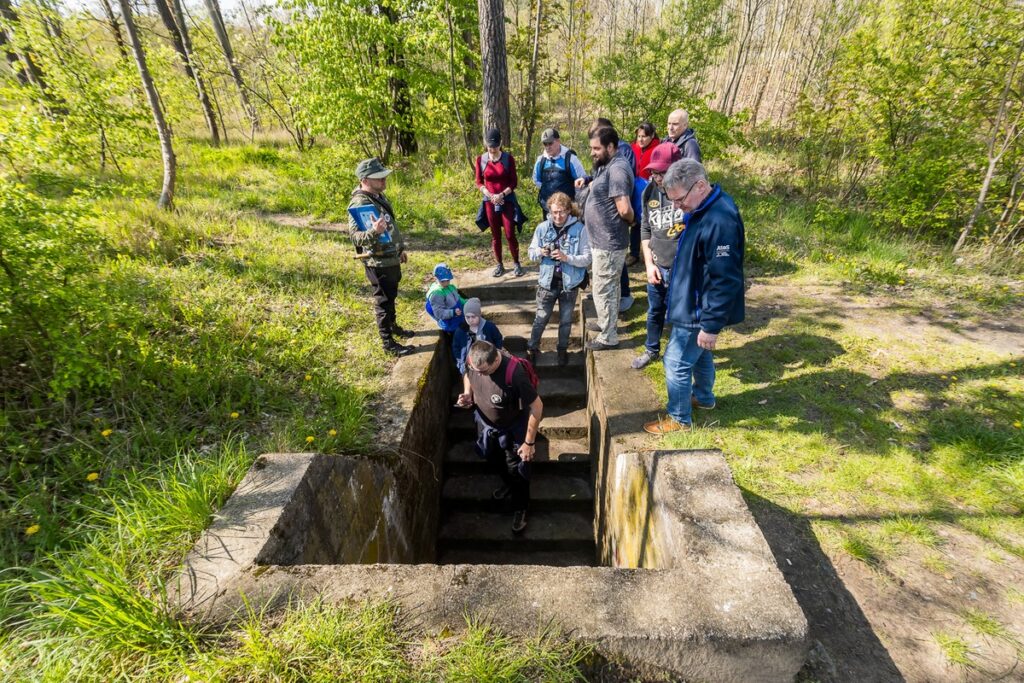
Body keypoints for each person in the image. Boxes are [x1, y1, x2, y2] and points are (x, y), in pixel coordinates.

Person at [644, 158, 744, 435]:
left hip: (699, 307)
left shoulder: (719, 219)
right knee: (699, 354)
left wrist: (710, 325)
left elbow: (725, 279)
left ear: (700, 186)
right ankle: (704, 397)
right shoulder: (703, 208)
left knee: (675, 361)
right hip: (691, 300)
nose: (677, 206)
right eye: (673, 200)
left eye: (680, 199)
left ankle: (679, 419)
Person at [456, 340, 543, 533]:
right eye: (476, 370)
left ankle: (521, 507)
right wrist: (468, 393)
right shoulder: (473, 361)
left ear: (496, 360)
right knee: (492, 457)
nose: (480, 375)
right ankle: (508, 484)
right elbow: (468, 374)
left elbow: (537, 407)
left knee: (517, 469)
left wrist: (529, 442)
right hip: (487, 426)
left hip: (513, 428)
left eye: (484, 372)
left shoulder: (515, 374)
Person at [347, 157, 413, 357]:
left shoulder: (377, 196)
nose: (384, 180)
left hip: (390, 257)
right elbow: (355, 237)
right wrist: (374, 232)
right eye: (379, 178)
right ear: (365, 180)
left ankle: (393, 327)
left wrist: (399, 249)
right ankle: (388, 343)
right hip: (378, 261)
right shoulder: (359, 202)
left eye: (384, 176)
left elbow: (390, 226)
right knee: (383, 301)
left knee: (391, 296)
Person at [578, 126, 634, 351]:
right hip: (601, 241)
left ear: (610, 147)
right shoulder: (607, 166)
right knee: (608, 287)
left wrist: (632, 221)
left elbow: (624, 208)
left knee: (604, 289)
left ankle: (609, 337)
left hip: (609, 242)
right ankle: (605, 323)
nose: (592, 152)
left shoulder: (618, 169)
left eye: (596, 148)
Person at [632, 142, 683, 370]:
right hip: (658, 264)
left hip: (682, 266)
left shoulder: (688, 192)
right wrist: (649, 264)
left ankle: (679, 354)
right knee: (655, 310)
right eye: (654, 172)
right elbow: (645, 228)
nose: (658, 177)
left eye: (662, 172)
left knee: (681, 315)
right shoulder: (649, 191)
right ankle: (651, 350)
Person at [526, 191, 592, 367]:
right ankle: (532, 348)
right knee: (540, 319)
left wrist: (566, 257)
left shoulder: (580, 229)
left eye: (561, 212)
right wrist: (541, 252)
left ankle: (562, 350)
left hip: (569, 285)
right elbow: (531, 253)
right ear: (550, 211)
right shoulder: (542, 228)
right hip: (546, 284)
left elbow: (587, 258)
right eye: (554, 212)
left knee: (566, 321)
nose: (558, 216)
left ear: (569, 210)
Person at [475, 128, 527, 277]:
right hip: (489, 201)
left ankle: (516, 263)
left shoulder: (508, 159)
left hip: (507, 200)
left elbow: (514, 182)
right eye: (490, 147)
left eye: (495, 147)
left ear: (500, 144)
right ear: (486, 144)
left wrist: (502, 194)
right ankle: (499, 264)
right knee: (495, 235)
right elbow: (479, 182)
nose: (493, 150)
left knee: (510, 234)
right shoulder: (481, 160)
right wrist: (489, 194)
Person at [532, 127, 586, 219]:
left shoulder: (571, 159)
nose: (548, 147)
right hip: (548, 208)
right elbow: (536, 180)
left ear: (558, 141)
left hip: (568, 209)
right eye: (545, 144)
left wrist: (576, 202)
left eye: (550, 143)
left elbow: (582, 181)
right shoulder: (540, 161)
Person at [452, 298, 504, 375]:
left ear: (479, 315)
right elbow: (456, 348)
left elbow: (498, 340)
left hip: (487, 364)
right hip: (468, 365)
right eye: (467, 317)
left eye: (473, 317)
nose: (470, 320)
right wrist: (461, 364)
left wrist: (494, 356)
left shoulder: (489, 327)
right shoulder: (460, 330)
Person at [426, 263, 464, 334]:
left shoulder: (450, 287)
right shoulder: (437, 294)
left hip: (457, 313)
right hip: (448, 321)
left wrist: (465, 302)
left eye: (448, 280)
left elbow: (457, 298)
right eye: (442, 281)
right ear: (436, 278)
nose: (446, 283)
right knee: (457, 331)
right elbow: (439, 312)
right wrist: (453, 312)